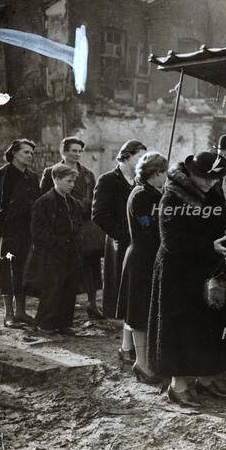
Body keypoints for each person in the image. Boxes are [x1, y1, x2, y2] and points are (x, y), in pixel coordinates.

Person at [147, 152, 226, 407]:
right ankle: (178, 386)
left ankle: (206, 378)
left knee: (209, 325)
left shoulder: (212, 191)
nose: (211, 183)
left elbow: (224, 217)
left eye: (215, 179)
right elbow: (171, 240)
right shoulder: (172, 195)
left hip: (207, 272)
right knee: (182, 330)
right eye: (206, 179)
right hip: (178, 274)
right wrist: (209, 246)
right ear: (191, 173)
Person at [92, 140, 147, 363]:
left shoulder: (139, 181)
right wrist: (122, 234)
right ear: (126, 156)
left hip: (139, 246)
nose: (142, 161)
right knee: (124, 296)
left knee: (133, 296)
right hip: (119, 244)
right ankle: (126, 347)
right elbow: (98, 214)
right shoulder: (107, 180)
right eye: (139, 157)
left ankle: (128, 346)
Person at [118, 152, 168, 384]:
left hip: (151, 259)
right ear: (156, 173)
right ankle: (141, 363)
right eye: (164, 173)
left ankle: (147, 361)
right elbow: (150, 230)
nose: (166, 178)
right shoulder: (140, 196)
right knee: (139, 313)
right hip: (141, 259)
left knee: (148, 312)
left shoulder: (154, 194)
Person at [40, 137, 103, 319]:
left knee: (91, 264)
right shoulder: (52, 172)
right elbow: (45, 198)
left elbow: (95, 198)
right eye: (73, 150)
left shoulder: (87, 174)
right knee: (66, 265)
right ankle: (63, 306)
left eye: (79, 151)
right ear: (63, 151)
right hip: (62, 225)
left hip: (84, 224)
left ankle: (92, 304)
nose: (76, 154)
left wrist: (86, 205)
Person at [27, 164, 82, 333]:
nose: (72, 185)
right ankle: (46, 324)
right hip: (52, 254)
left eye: (73, 181)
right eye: (68, 181)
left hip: (70, 252)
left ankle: (64, 324)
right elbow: (38, 232)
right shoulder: (44, 202)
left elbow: (78, 225)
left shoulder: (72, 202)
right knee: (53, 289)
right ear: (56, 179)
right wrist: (56, 244)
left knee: (69, 288)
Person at [0, 139, 40, 327]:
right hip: (8, 231)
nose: (29, 156)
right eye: (25, 152)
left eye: (31, 153)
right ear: (14, 153)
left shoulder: (32, 177)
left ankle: (21, 312)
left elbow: (37, 202)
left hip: (27, 231)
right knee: (8, 269)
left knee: (23, 269)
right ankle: (9, 315)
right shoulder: (0, 175)